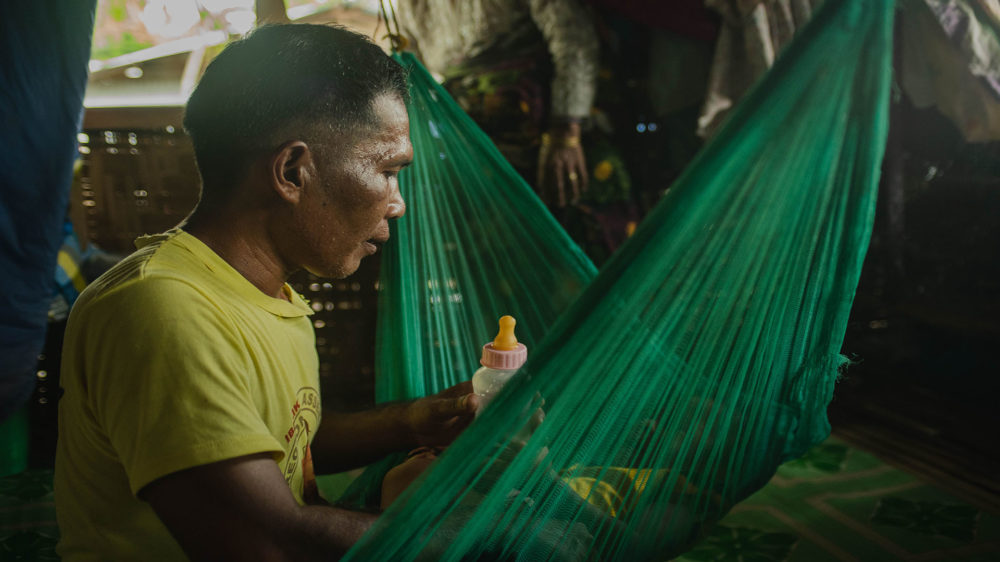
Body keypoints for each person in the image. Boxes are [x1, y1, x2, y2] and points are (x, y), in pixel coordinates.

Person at [54, 24, 482, 561]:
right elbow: (267, 542)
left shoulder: (268, 295)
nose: (397, 203)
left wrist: (413, 420)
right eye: (388, 170)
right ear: (291, 171)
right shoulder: (161, 312)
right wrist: (480, 536)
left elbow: (279, 443)